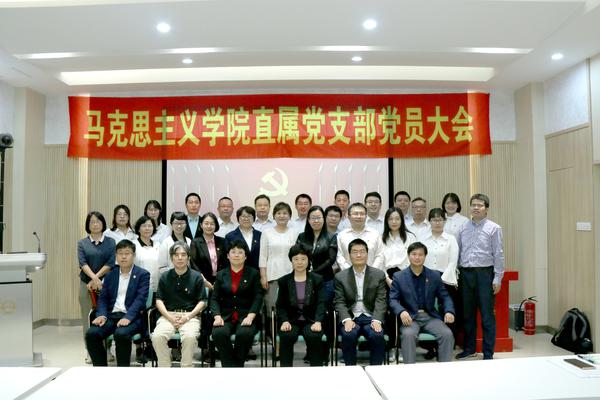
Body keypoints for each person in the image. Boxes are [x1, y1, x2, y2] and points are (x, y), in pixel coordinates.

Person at [85, 239, 150, 366]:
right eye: (120, 253)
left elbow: (140, 300)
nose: (123, 256)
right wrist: (102, 315)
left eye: (127, 253)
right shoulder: (110, 275)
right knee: (92, 334)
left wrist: (128, 317)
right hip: (111, 316)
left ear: (134, 255)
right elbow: (103, 299)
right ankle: (100, 369)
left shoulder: (142, 274)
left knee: (121, 334)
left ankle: (122, 371)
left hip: (132, 317)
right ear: (116, 256)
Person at [456, 193, 504, 361]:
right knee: (467, 315)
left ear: (486, 209)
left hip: (485, 274)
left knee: (487, 316)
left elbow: (498, 254)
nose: (476, 208)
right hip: (466, 274)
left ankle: (488, 353)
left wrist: (498, 278)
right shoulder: (463, 227)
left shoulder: (494, 228)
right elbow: (458, 251)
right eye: (473, 205)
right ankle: (469, 349)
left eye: (480, 205)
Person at [389, 242, 455, 364]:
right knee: (408, 335)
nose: (417, 257)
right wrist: (401, 311)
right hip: (410, 318)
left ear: (425, 256)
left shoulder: (434, 275)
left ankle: (445, 368)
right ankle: (410, 368)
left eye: (420, 254)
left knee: (447, 334)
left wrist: (449, 311)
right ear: (408, 256)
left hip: (430, 317)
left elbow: (445, 297)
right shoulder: (399, 276)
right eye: (414, 254)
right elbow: (392, 299)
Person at [151, 241, 207, 367]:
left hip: (190, 316)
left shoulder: (197, 276)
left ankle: (186, 367)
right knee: (157, 336)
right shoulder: (165, 276)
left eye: (183, 254)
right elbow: (158, 300)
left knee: (190, 337)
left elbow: (202, 301)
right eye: (176, 255)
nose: (180, 258)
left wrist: (187, 317)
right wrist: (169, 317)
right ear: (171, 258)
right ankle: (164, 367)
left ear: (188, 257)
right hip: (168, 315)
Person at [335, 238, 387, 365]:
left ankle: (376, 370)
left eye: (362, 251)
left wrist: (377, 320)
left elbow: (381, 299)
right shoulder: (340, 277)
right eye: (355, 252)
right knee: (348, 335)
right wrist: (346, 319)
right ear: (349, 255)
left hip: (371, 316)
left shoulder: (378, 275)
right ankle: (351, 369)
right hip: (351, 316)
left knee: (377, 335)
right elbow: (339, 301)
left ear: (367, 254)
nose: (359, 255)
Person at [211, 240, 264, 367]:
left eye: (240, 252)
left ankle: (236, 367)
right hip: (225, 316)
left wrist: (251, 316)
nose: (236, 255)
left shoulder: (253, 274)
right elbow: (214, 298)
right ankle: (230, 367)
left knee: (244, 334)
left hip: (246, 316)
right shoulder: (221, 274)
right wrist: (217, 316)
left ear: (245, 256)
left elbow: (258, 297)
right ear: (228, 256)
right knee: (219, 333)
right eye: (233, 252)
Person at [276, 244, 327, 367]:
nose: (299, 262)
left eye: (303, 259)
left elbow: (321, 303)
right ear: (291, 261)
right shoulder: (284, 281)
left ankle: (317, 370)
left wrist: (318, 321)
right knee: (286, 336)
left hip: (311, 320)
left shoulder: (317, 279)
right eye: (296, 259)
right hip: (291, 320)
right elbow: (280, 305)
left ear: (308, 260)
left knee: (314, 336)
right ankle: (285, 371)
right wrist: (284, 321)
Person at [77, 211, 116, 363]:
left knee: (106, 316)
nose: (95, 224)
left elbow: (111, 262)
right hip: (86, 285)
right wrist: (93, 279)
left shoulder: (111, 242)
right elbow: (82, 263)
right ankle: (89, 350)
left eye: (98, 221)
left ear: (103, 223)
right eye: (92, 222)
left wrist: (97, 278)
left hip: (106, 285)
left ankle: (107, 349)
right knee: (88, 317)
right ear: (88, 225)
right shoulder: (82, 243)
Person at [423, 208, 461, 349]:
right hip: (426, 280)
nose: (437, 222)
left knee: (447, 311)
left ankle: (448, 345)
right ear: (429, 221)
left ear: (444, 221)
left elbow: (453, 262)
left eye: (440, 220)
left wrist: (440, 280)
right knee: (430, 313)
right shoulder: (423, 238)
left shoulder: (451, 239)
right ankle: (430, 347)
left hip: (446, 280)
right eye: (434, 220)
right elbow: (420, 259)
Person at [259, 202, 297, 314]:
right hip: (272, 275)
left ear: (290, 216)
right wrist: (263, 276)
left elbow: (298, 256)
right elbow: (262, 256)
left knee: (290, 307)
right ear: (274, 216)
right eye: (279, 213)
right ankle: (272, 326)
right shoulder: (267, 233)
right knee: (273, 307)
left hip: (291, 274)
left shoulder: (295, 233)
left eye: (285, 213)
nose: (282, 216)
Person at [296, 205, 337, 304]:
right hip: (304, 279)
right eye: (313, 218)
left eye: (318, 218)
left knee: (324, 308)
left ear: (324, 219)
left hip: (325, 280)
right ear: (308, 220)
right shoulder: (302, 237)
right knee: (305, 307)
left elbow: (331, 259)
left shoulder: (331, 237)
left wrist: (314, 272)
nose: (316, 221)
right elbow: (296, 256)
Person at [374, 207, 417, 287]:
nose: (394, 222)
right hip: (386, 278)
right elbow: (380, 262)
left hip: (407, 276)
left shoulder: (411, 237)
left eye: (397, 219)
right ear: (386, 221)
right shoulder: (380, 239)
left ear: (402, 220)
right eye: (390, 219)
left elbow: (415, 259)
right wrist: (388, 280)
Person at [336, 202, 383, 271]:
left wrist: (372, 272)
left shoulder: (375, 234)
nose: (359, 216)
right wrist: (350, 272)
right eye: (355, 214)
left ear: (366, 216)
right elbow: (339, 256)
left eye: (362, 214)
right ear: (349, 217)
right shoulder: (341, 235)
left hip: (372, 275)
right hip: (348, 275)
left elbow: (379, 255)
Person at [225, 206, 262, 270]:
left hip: (257, 272)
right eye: (243, 216)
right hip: (237, 271)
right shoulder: (230, 236)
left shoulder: (260, 235)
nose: (246, 219)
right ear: (238, 218)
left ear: (254, 218)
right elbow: (227, 258)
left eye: (249, 216)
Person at [133, 215, 160, 292]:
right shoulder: (133, 245)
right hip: (138, 287)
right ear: (138, 229)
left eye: (150, 226)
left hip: (156, 286)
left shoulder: (158, 245)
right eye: (144, 226)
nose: (147, 228)